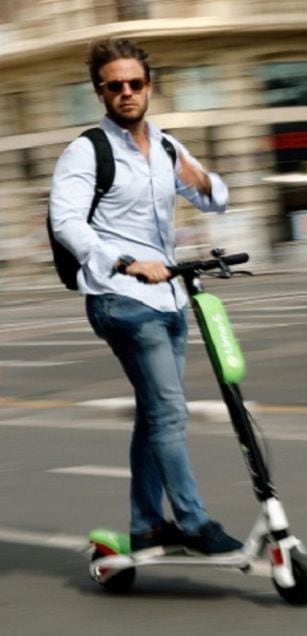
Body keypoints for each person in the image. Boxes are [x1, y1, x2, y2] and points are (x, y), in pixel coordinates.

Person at [49, 37, 243, 556]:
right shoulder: (87, 151)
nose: (127, 93)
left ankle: (145, 524)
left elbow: (215, 199)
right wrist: (125, 262)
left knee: (156, 414)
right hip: (122, 300)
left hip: (171, 297)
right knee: (170, 414)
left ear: (149, 87)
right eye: (115, 86)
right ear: (101, 91)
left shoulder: (165, 146)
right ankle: (194, 523)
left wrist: (198, 176)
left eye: (135, 84)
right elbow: (66, 221)